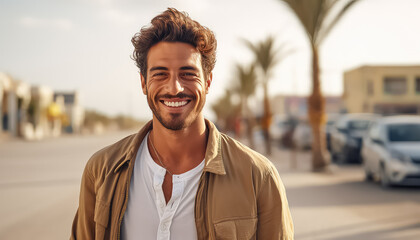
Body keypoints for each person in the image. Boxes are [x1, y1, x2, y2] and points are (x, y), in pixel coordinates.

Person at [71, 8, 294, 240]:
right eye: (160, 74)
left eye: (187, 74)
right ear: (144, 83)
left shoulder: (258, 177)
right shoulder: (102, 170)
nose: (174, 88)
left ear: (207, 81)